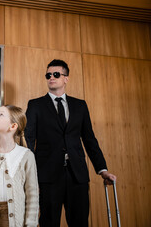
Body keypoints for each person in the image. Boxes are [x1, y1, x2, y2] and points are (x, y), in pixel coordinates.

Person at [25, 59, 117, 227]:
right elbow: (29, 139)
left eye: (56, 74)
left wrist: (102, 169)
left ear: (66, 78)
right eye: (48, 75)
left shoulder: (80, 105)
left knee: (80, 221)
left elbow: (89, 139)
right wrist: (29, 173)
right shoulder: (35, 105)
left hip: (77, 175)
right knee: (48, 222)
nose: (51, 77)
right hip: (48, 175)